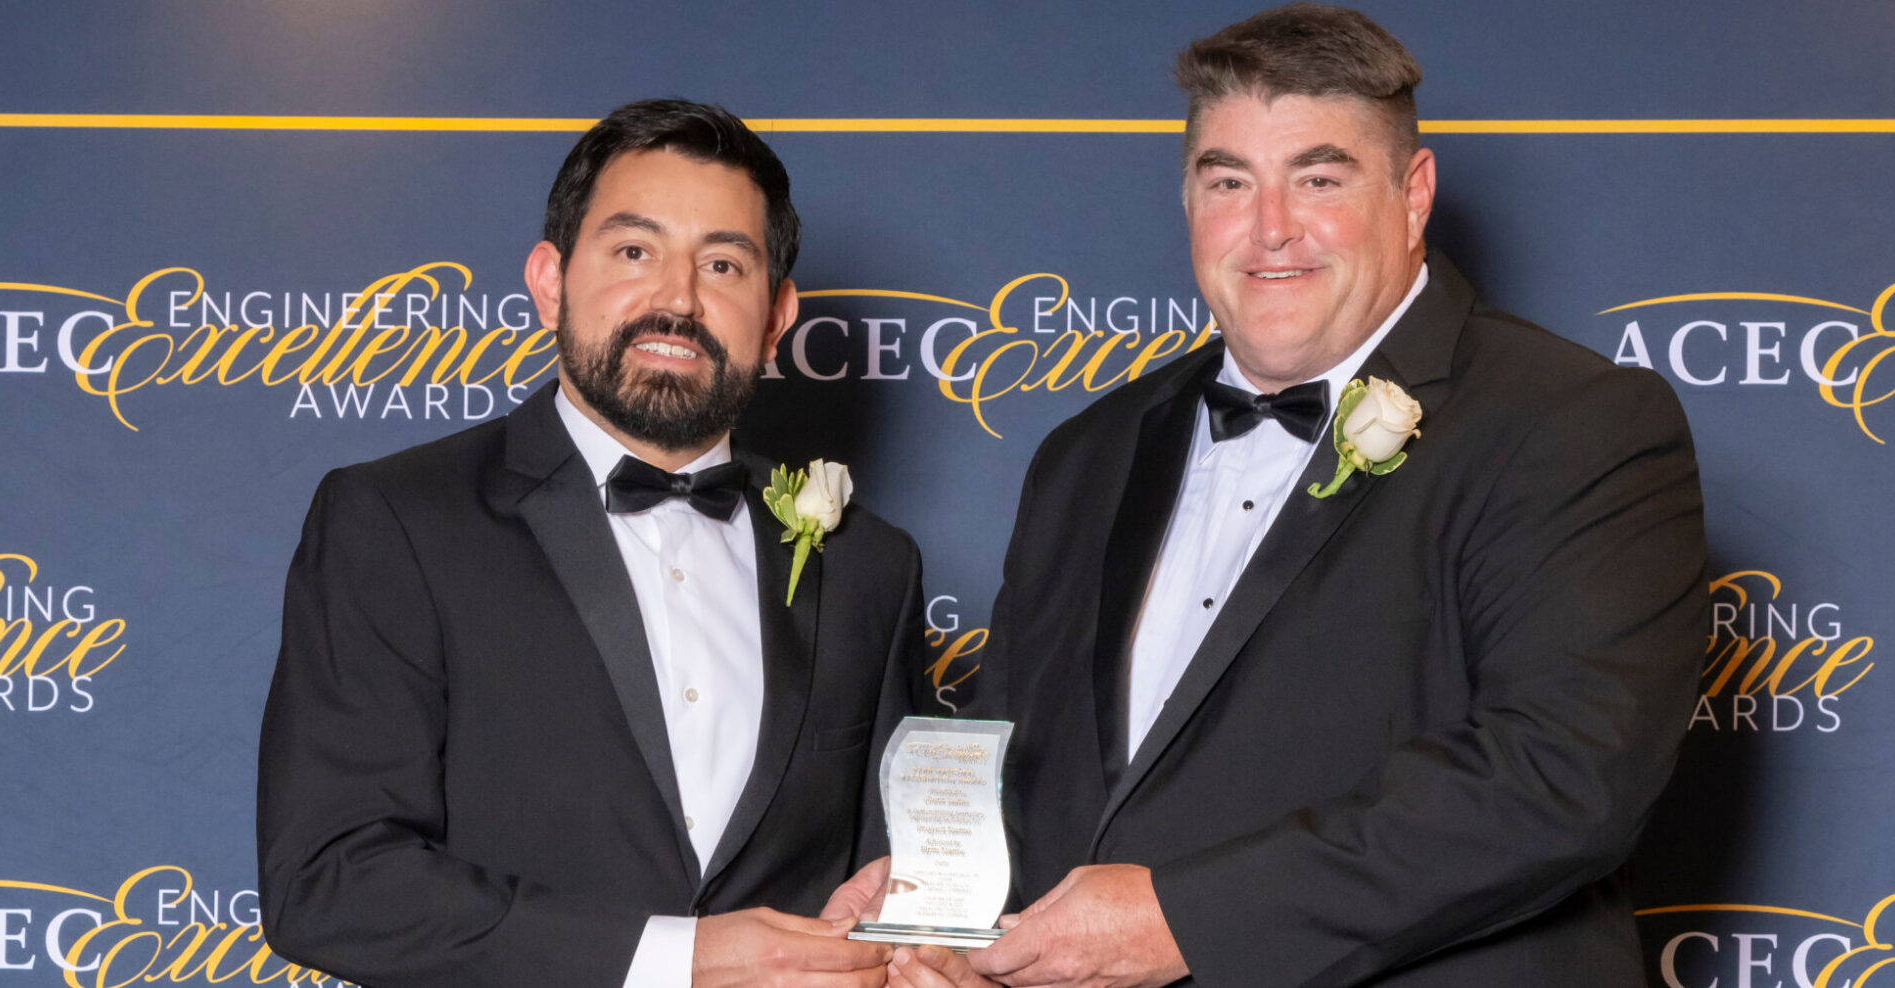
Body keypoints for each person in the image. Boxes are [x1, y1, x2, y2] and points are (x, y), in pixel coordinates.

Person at [887, 6, 1708, 987]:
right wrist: (921, 896)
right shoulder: (1088, 454)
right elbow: (1012, 753)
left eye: (1319, 178)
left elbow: (1561, 781)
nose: (1270, 228)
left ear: (1414, 194)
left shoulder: (1577, 422)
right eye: (1228, 180)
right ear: (1188, 202)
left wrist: (1179, 921)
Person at [258, 98, 920, 988]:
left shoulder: (870, 565)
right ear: (549, 281)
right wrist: (683, 961)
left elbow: (887, 877)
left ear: (775, 317)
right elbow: (331, 883)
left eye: (723, 264)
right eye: (634, 251)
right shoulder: (398, 521)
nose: (678, 299)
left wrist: (900, 929)